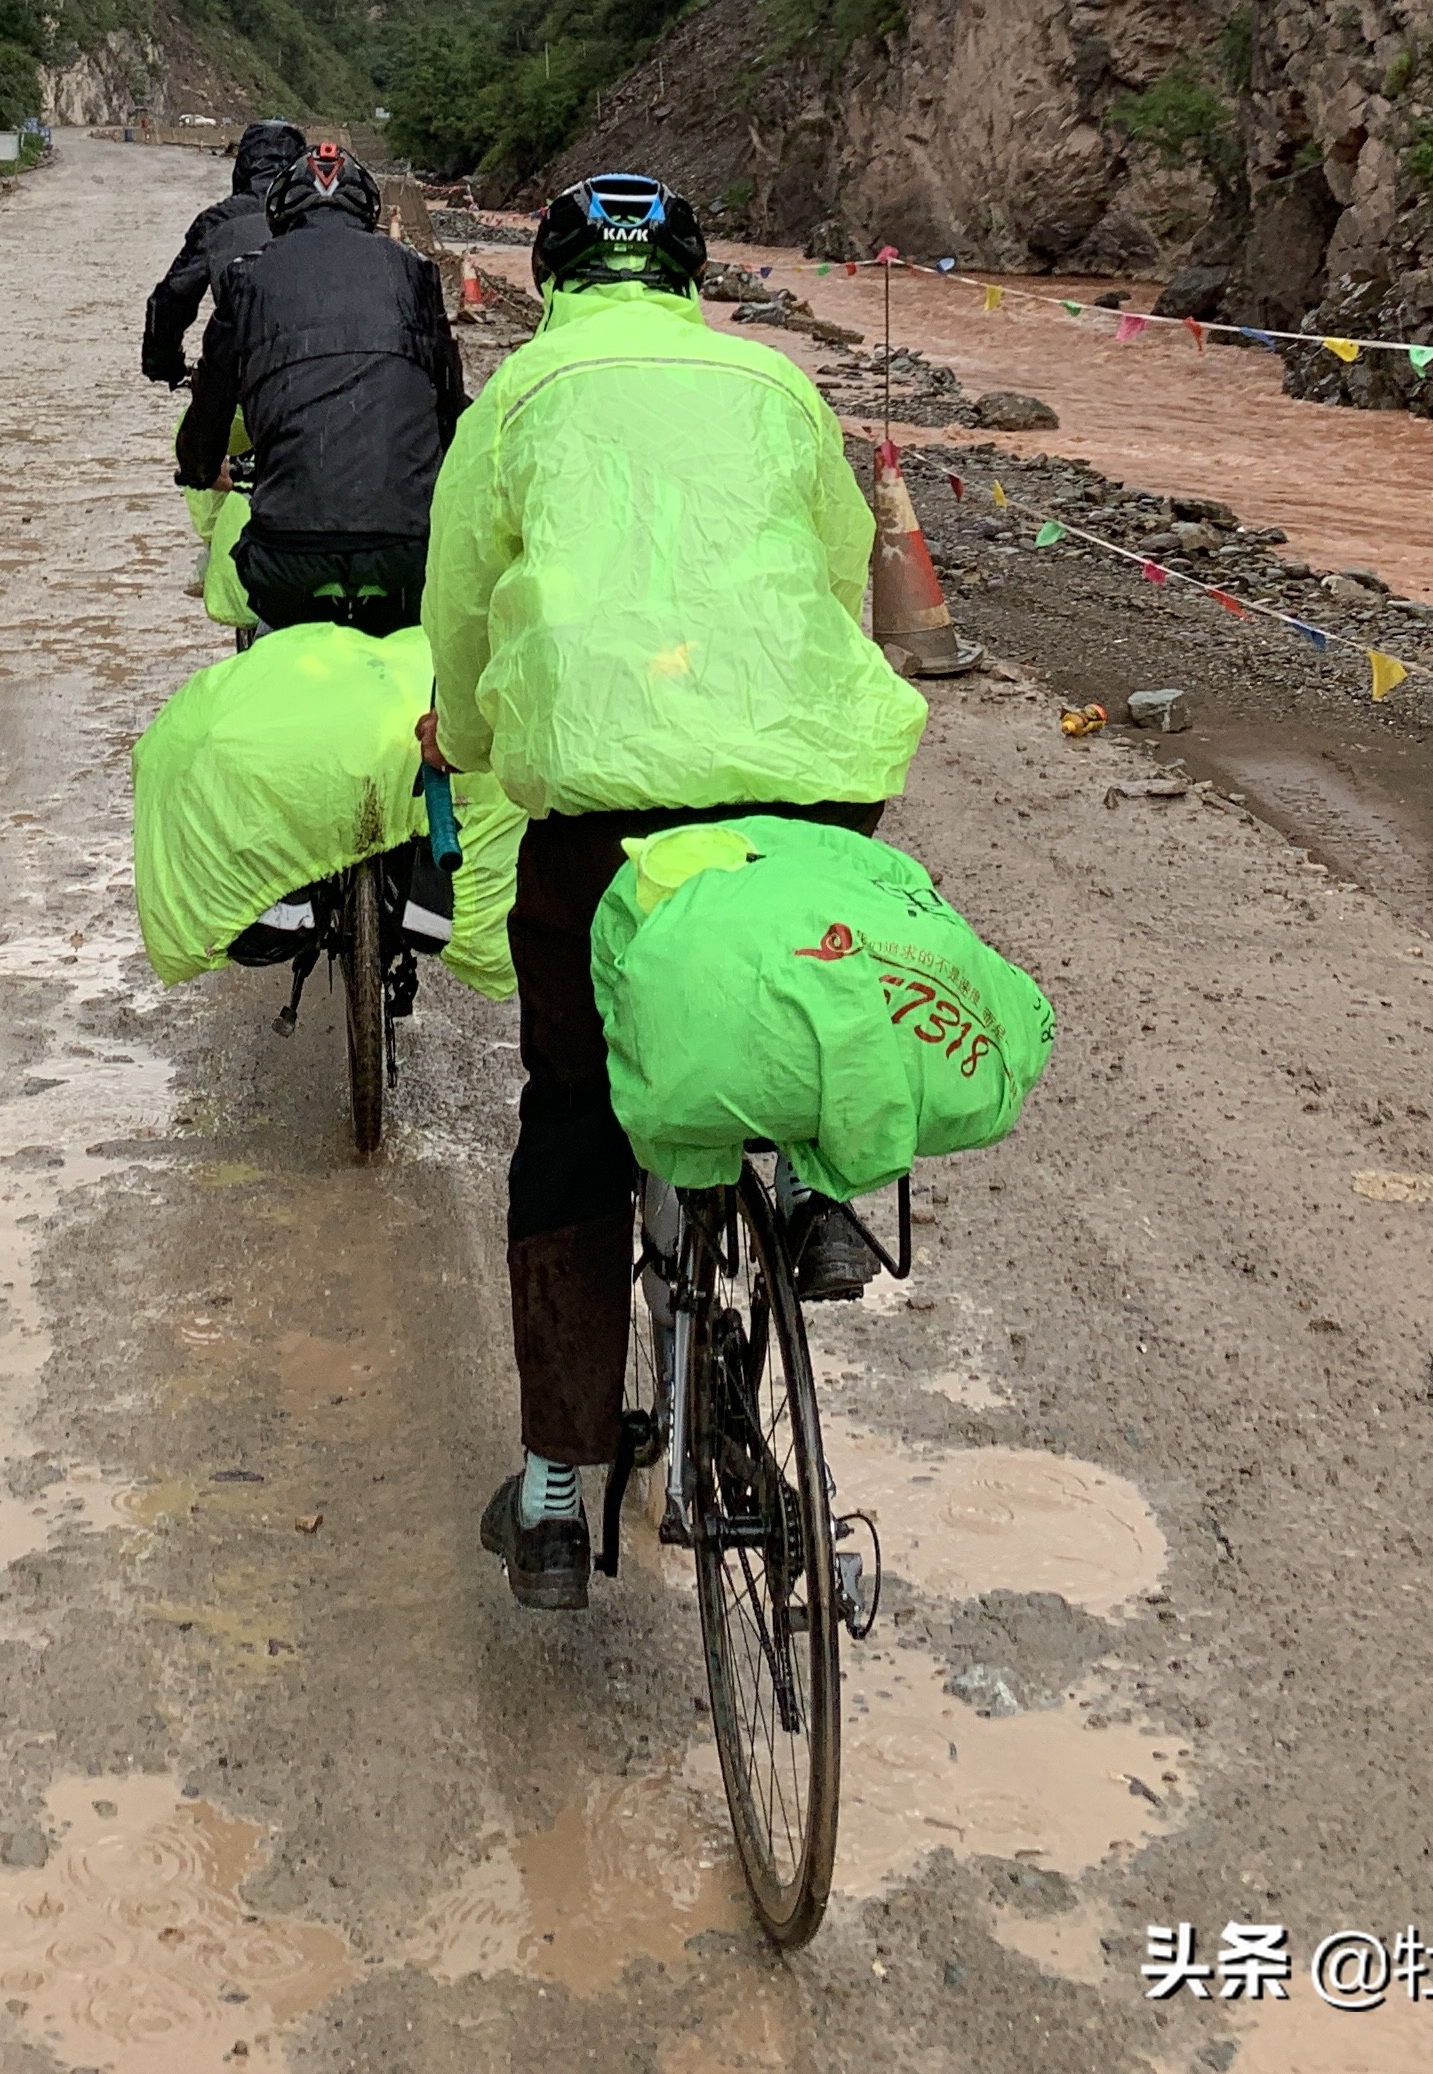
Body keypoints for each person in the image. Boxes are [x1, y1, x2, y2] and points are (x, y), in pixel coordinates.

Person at [418, 169, 926, 1613]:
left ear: (561, 274)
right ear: (692, 279)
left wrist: (463, 731)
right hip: (807, 771)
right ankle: (824, 1188)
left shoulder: (515, 399)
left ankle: (559, 1490)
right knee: (804, 958)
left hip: (603, 796)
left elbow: (458, 606)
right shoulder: (777, 388)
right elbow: (841, 574)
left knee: (575, 1111)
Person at [174, 141, 464, 635]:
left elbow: (212, 402)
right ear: (367, 212)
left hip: (287, 556)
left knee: (269, 633)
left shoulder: (247, 278)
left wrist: (201, 468)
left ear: (281, 213)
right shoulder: (415, 273)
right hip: (406, 550)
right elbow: (449, 405)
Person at [140, 119, 310, 385]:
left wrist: (163, 367)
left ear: (242, 165)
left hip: (242, 379)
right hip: (323, 377)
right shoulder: (325, 219)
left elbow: (169, 301)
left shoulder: (217, 222)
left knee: (202, 422)